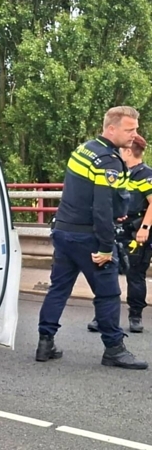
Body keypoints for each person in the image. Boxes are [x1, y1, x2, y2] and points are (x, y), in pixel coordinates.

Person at [37, 107, 146, 369]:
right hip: (90, 237)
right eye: (129, 129)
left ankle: (45, 342)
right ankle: (114, 349)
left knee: (59, 289)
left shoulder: (84, 149)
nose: (134, 135)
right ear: (111, 129)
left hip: (64, 231)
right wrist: (107, 247)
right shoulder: (108, 161)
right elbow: (102, 207)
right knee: (108, 294)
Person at [87, 134, 152, 333]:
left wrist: (145, 228)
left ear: (129, 150)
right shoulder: (119, 171)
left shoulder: (145, 174)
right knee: (106, 273)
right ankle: (103, 316)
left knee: (135, 274)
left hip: (136, 233)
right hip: (115, 230)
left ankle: (135, 316)